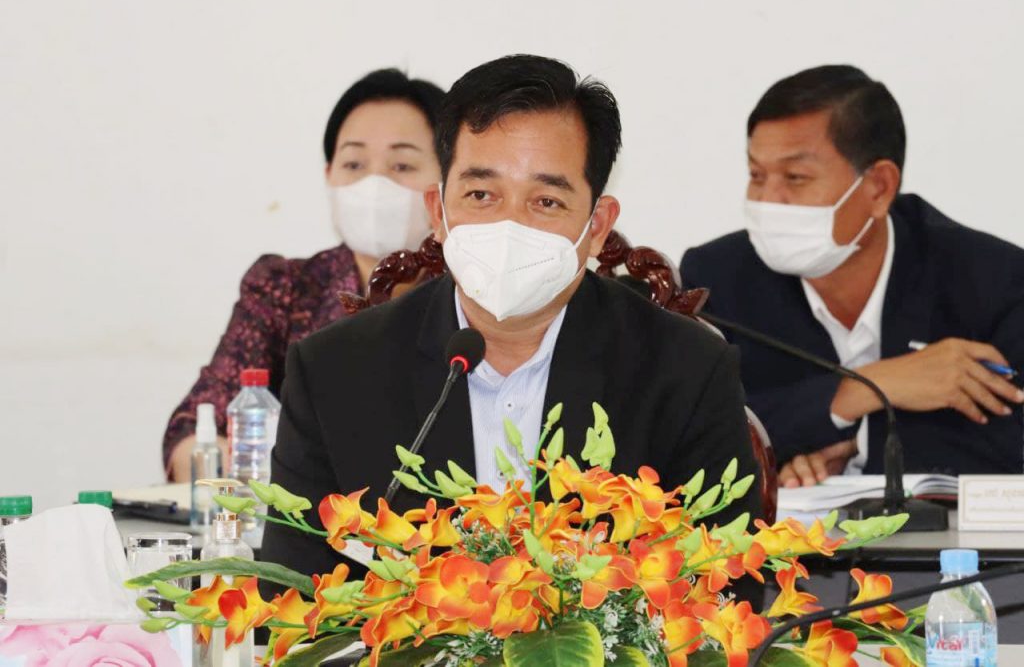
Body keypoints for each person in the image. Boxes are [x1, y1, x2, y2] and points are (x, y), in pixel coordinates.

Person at [262, 54, 761, 578]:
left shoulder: (686, 370)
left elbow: (723, 588)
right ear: (438, 212)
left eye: (546, 202)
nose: (509, 225)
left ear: (597, 226)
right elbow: (292, 596)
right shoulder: (334, 371)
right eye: (481, 195)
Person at [681, 65, 1024, 487]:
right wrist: (862, 390)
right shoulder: (716, 278)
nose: (768, 200)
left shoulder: (993, 279)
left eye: (795, 177)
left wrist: (859, 444)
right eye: (757, 175)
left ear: (879, 187)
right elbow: (696, 431)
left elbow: (1013, 442)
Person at [163, 69, 445, 480]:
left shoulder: (472, 293)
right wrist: (247, 464)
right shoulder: (284, 288)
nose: (374, 184)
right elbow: (190, 432)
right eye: (354, 163)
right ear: (329, 176)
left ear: (448, 183)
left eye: (402, 165)